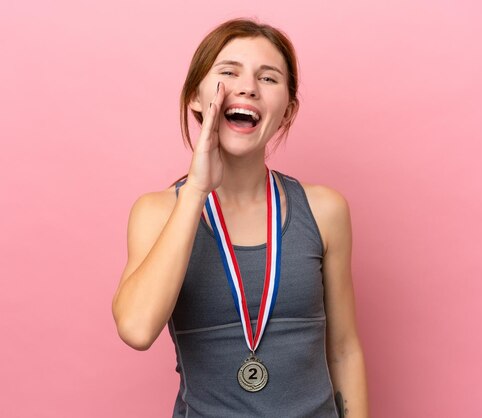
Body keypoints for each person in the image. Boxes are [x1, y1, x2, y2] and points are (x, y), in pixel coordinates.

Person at [112, 18, 369, 417]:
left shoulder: (324, 210)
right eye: (229, 72)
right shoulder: (157, 212)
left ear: (287, 111)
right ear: (195, 97)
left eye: (268, 78)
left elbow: (344, 349)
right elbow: (136, 328)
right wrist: (196, 190)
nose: (248, 86)